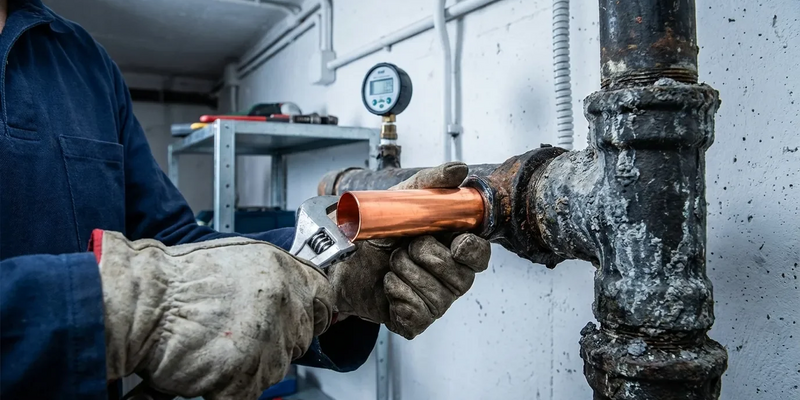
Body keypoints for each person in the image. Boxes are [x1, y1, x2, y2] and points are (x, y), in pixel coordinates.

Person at [0, 1, 492, 399]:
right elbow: (161, 286)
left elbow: (172, 240)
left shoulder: (81, 59)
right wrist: (112, 307)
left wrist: (332, 263)